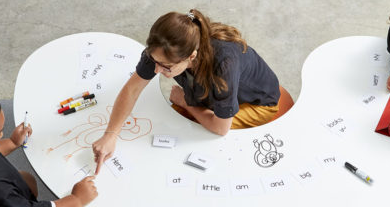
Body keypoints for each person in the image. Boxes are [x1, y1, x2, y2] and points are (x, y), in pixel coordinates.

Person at [92, 9, 281, 172]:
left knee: (194, 138)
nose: (157, 70)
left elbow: (221, 128)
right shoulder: (161, 52)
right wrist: (110, 135)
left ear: (191, 56)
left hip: (257, 104)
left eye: (166, 67)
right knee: (173, 128)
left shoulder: (224, 66)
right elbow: (132, 89)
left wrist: (185, 103)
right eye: (154, 62)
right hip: (211, 98)